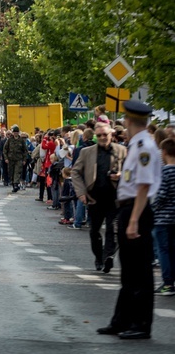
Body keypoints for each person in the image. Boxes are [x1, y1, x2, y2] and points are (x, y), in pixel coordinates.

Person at [97, 100, 161, 340]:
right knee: (129, 270)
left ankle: (141, 324)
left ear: (130, 120)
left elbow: (144, 185)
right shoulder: (136, 144)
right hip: (130, 208)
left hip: (138, 210)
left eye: (125, 118)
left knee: (140, 271)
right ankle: (121, 320)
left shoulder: (144, 146)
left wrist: (134, 219)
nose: (123, 121)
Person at [71, 123, 127, 271]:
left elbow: (130, 171)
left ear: (111, 135)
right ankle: (99, 257)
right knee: (94, 231)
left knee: (112, 229)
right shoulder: (86, 152)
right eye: (99, 135)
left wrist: (121, 175)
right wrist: (81, 192)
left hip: (115, 198)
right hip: (95, 198)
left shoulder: (122, 151)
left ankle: (108, 256)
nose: (102, 138)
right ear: (96, 136)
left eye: (105, 135)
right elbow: (75, 172)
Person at [152, 138, 175, 296]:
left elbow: (160, 195)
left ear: (164, 152)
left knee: (163, 251)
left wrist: (151, 208)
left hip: (163, 218)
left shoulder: (165, 171)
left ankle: (168, 283)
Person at [3, 125, 28, 193]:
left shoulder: (21, 140)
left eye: (16, 132)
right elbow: (5, 149)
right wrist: (6, 158)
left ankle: (16, 185)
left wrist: (24, 159)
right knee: (11, 172)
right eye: (14, 132)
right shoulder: (9, 140)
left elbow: (25, 151)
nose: (15, 134)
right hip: (11, 159)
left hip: (18, 159)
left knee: (17, 172)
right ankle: (14, 184)